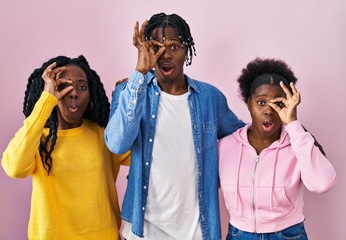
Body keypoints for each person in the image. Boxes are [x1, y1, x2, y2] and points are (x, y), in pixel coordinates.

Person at [104, 13, 245, 239]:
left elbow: (244, 136)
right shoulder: (129, 91)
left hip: (198, 229)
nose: (165, 54)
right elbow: (117, 144)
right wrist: (139, 76)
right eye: (156, 47)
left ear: (186, 51)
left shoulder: (209, 97)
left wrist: (293, 134)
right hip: (144, 229)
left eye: (174, 46)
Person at [1, 55, 130, 240]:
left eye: (82, 87)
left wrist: (130, 105)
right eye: (63, 86)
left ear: (91, 93)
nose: (74, 93)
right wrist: (47, 100)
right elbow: (14, 168)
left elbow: (147, 156)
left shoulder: (105, 135)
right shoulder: (37, 137)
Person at [218, 58, 337, 240]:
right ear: (248, 103)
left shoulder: (298, 143)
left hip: (288, 234)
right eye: (261, 102)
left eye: (278, 103)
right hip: (239, 235)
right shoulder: (226, 146)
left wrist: (293, 124)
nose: (269, 110)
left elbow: (323, 183)